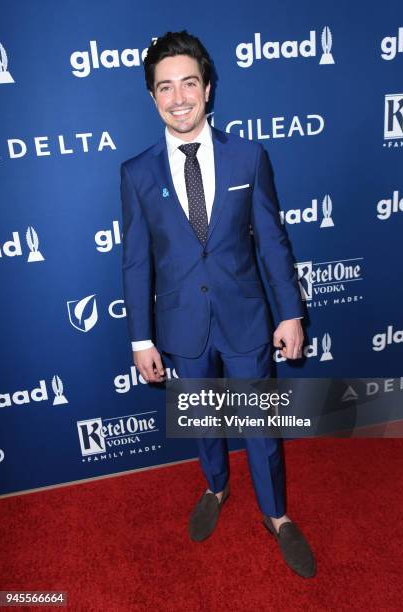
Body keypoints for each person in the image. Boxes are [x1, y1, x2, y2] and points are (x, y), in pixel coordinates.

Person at [121, 30, 315, 578]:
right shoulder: (136, 174)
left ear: (207, 89)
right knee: (205, 424)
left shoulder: (248, 156)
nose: (178, 97)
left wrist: (289, 312)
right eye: (165, 87)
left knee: (260, 427)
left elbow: (273, 242)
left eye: (188, 83)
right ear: (152, 97)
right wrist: (141, 338)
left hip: (247, 320)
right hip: (182, 327)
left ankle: (276, 515)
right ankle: (215, 485)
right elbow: (136, 262)